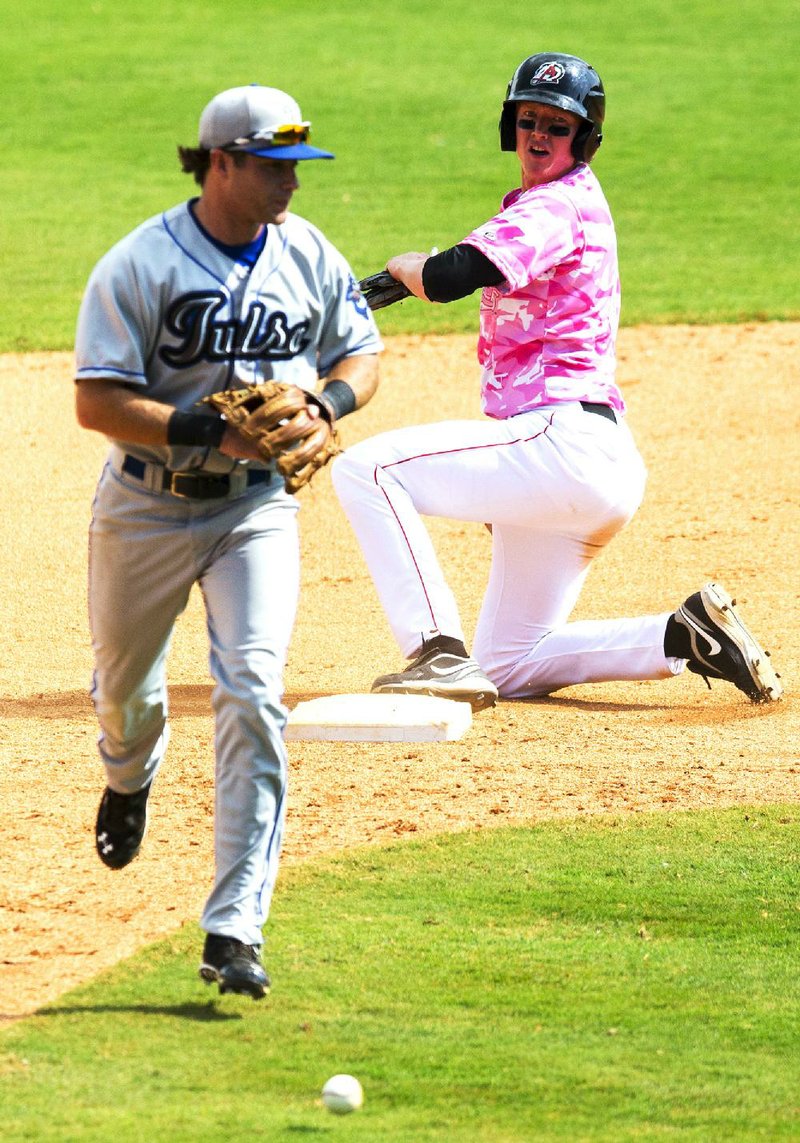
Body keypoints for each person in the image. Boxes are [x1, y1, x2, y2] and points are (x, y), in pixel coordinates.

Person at [331, 52, 782, 712]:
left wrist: (408, 267)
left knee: (367, 470)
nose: (539, 136)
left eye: (558, 126)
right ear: (511, 125)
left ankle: (436, 651)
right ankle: (683, 635)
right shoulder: (551, 206)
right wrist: (514, 495)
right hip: (581, 463)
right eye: (528, 120)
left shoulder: (558, 206)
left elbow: (451, 276)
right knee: (509, 664)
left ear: (585, 140)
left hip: (562, 442)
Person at [75, 84, 382, 998]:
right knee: (124, 690)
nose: (292, 182)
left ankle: (234, 927)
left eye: (298, 166)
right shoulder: (139, 264)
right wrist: (213, 432)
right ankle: (129, 772)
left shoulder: (309, 253)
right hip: (145, 506)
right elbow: (97, 400)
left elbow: (361, 353)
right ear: (220, 162)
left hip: (256, 511)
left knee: (252, 688)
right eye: (274, 165)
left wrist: (327, 401)